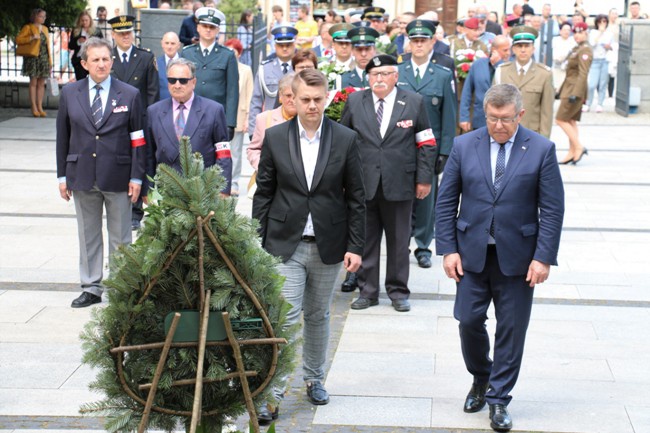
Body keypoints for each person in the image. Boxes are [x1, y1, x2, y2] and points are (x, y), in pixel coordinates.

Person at [435, 83, 565, 433]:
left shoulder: (541, 149)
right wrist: (448, 248)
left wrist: (543, 258)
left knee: (511, 329)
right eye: (492, 118)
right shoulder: (465, 145)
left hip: (519, 258)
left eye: (506, 119)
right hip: (471, 254)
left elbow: (552, 210)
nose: (498, 126)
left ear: (519, 115)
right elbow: (446, 201)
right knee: (467, 320)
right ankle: (481, 376)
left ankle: (499, 399)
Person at [252, 68, 366, 418]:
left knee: (318, 315)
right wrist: (256, 240)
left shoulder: (345, 138)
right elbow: (265, 192)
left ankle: (315, 379)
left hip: (328, 243)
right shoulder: (275, 137)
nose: (312, 106)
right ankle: (274, 390)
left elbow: (357, 197)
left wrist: (356, 245)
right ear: (292, 99)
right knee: (284, 318)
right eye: (305, 100)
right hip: (285, 242)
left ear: (327, 97)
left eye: (318, 99)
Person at [341, 55, 436, 313]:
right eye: (374, 75)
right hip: (363, 184)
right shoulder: (354, 101)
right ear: (367, 78)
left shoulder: (414, 102)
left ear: (396, 76)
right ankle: (368, 292)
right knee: (366, 240)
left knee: (399, 241)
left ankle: (398, 292)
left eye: (384, 74)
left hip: (401, 183)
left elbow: (426, 143)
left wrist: (424, 178)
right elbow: (342, 141)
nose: (379, 79)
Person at [56, 37, 146, 309]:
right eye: (95, 59)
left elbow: (139, 139)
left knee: (121, 236)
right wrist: (62, 176)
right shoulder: (70, 93)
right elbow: (63, 136)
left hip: (118, 176)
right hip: (81, 174)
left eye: (105, 59)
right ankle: (91, 287)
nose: (101, 64)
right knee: (88, 234)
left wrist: (137, 176)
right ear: (84, 64)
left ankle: (119, 288)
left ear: (112, 62)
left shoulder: (129, 94)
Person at [397, 19, 457, 269]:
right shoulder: (397, 73)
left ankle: (423, 245)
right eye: (414, 40)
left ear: (433, 41)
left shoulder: (442, 75)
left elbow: (449, 115)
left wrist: (445, 151)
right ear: (408, 42)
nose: (419, 44)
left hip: (428, 149)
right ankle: (401, 243)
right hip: (398, 147)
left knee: (426, 200)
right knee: (398, 197)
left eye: (423, 40)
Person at [145, 57, 231, 195]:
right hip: (166, 192)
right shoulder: (154, 112)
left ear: (194, 82)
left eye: (183, 81)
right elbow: (148, 154)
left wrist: (223, 189)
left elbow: (223, 154)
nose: (177, 85)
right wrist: (147, 189)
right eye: (172, 80)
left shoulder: (213, 110)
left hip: (202, 191)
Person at [108, 15, 160, 231]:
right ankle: (114, 206)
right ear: (113, 35)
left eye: (128, 32)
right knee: (113, 163)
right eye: (121, 33)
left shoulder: (145, 58)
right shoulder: (107, 58)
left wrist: (150, 122)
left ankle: (135, 211)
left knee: (139, 164)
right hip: (112, 121)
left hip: (138, 120)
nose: (125, 36)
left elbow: (152, 93)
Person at [181, 7, 239, 140]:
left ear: (217, 30)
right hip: (190, 114)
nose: (208, 30)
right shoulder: (187, 53)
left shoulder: (227, 56)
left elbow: (232, 91)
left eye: (212, 27)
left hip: (216, 116)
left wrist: (230, 123)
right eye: (205, 26)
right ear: (198, 28)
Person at [495, 26, 554, 138]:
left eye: (527, 46)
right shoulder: (501, 71)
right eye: (519, 46)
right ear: (513, 49)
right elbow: (495, 105)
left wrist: (544, 140)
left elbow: (547, 112)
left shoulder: (544, 74)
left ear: (533, 49)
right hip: (505, 133)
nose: (523, 50)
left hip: (531, 134)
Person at [247, 26, 298, 137]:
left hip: (297, 126)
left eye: (288, 45)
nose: (284, 48)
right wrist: (252, 131)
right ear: (275, 46)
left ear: (294, 45)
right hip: (270, 127)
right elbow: (256, 101)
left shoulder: (300, 68)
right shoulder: (265, 69)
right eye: (281, 45)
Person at [556, 22, 593, 165]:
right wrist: (561, 90)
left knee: (560, 119)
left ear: (586, 33)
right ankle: (572, 152)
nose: (577, 35)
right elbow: (570, 73)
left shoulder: (585, 50)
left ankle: (578, 147)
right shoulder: (577, 48)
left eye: (580, 32)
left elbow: (583, 74)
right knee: (570, 121)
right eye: (575, 33)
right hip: (569, 88)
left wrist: (576, 93)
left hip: (574, 90)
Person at [460, 35, 512, 132]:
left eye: (509, 50)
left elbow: (508, 87)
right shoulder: (478, 65)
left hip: (503, 121)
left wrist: (498, 65)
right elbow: (467, 92)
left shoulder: (510, 66)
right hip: (480, 119)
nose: (508, 53)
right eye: (505, 50)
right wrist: (464, 117)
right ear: (494, 50)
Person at [247, 73, 296, 172]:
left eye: (296, 96)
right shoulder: (264, 119)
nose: (292, 100)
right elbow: (253, 150)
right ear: (280, 97)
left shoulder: (309, 120)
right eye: (288, 95)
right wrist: (263, 168)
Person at [224, 39, 253, 197]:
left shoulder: (245, 70)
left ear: (239, 53)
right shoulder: (222, 67)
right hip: (222, 115)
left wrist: (248, 117)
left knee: (235, 152)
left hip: (239, 115)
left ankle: (233, 182)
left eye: (233, 52)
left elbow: (250, 94)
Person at [16, 8, 51, 118]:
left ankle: (40, 107)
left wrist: (50, 61)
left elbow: (47, 46)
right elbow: (18, 40)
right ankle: (34, 107)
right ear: (35, 16)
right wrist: (31, 38)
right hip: (32, 58)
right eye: (41, 16)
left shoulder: (45, 29)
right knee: (33, 82)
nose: (43, 18)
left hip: (44, 58)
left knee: (41, 83)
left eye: (44, 16)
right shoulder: (28, 27)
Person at [584, 14, 614, 113]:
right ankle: (588, 103)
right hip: (595, 61)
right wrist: (600, 33)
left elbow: (612, 46)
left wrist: (608, 47)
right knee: (592, 84)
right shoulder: (593, 32)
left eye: (604, 21)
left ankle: (600, 104)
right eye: (600, 22)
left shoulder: (610, 33)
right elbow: (592, 44)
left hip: (605, 60)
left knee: (602, 84)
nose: (602, 24)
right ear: (597, 23)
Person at [70, 10, 104, 81]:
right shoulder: (76, 31)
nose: (84, 22)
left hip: (94, 59)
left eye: (86, 20)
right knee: (81, 82)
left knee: (95, 81)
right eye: (82, 20)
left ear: (90, 20)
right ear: (80, 21)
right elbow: (70, 46)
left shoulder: (96, 31)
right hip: (80, 60)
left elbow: (102, 44)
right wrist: (78, 42)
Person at [552, 22, 576, 94]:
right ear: (560, 31)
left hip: (568, 68)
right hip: (557, 66)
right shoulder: (555, 40)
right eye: (565, 29)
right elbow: (555, 55)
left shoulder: (573, 41)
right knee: (556, 88)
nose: (566, 32)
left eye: (568, 30)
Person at [157, 32, 181, 100]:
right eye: (166, 43)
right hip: (161, 106)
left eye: (173, 43)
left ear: (178, 45)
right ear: (162, 44)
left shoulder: (186, 64)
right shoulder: (155, 64)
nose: (169, 47)